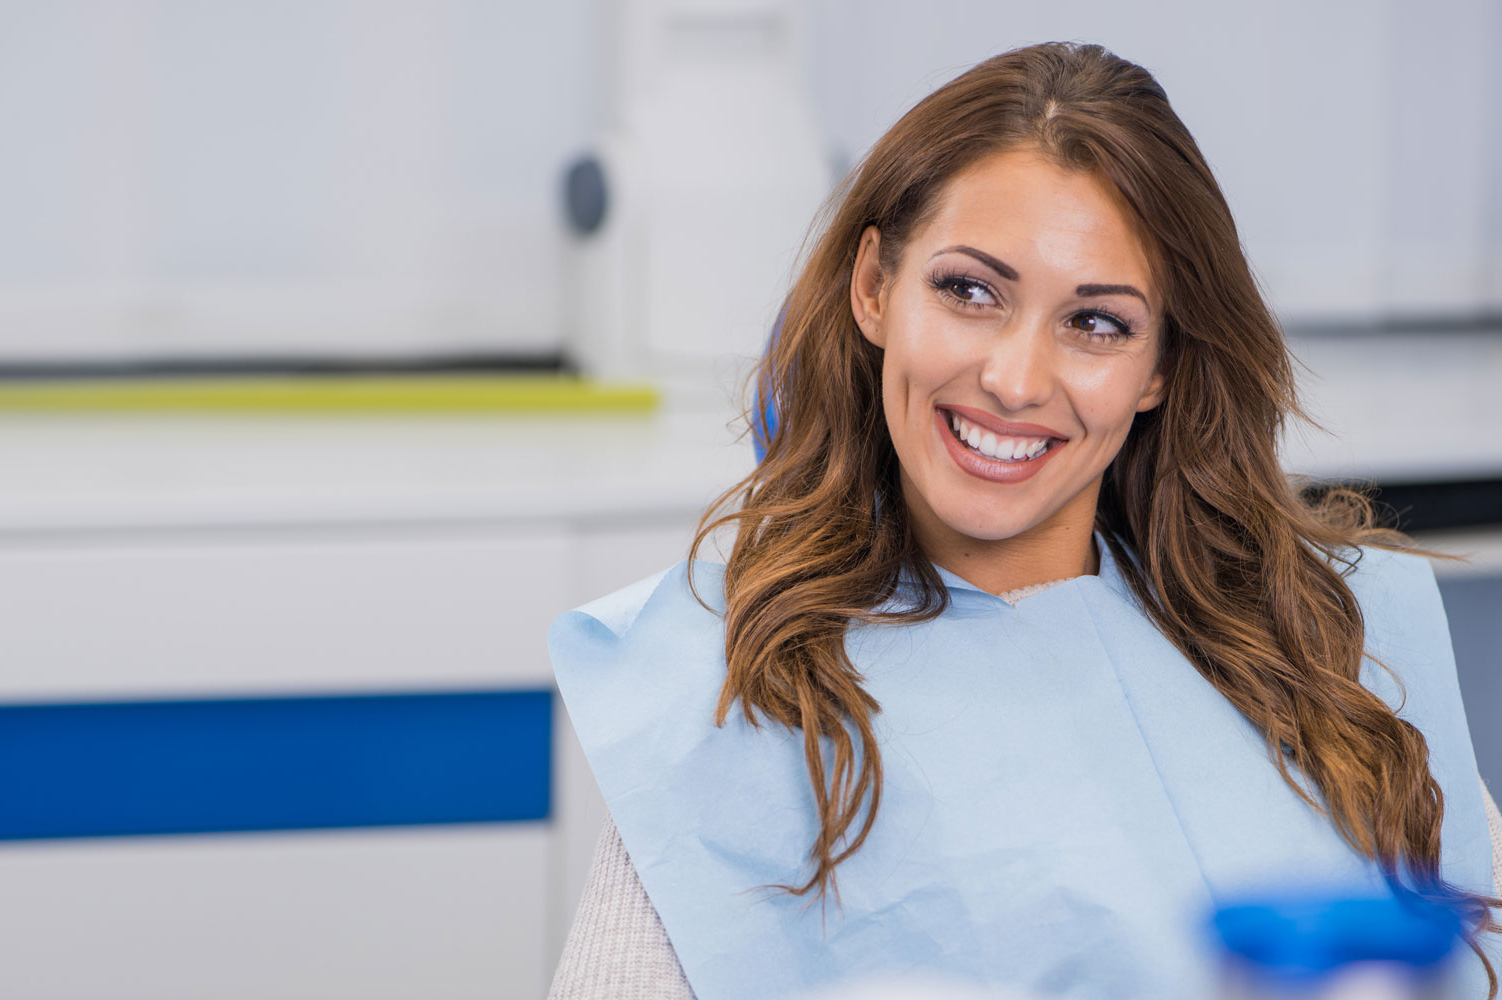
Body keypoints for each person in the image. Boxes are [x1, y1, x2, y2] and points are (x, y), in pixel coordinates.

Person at [547, 41, 1502, 1000]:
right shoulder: (731, 685)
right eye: (969, 291)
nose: (1013, 380)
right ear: (874, 287)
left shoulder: (1329, 640)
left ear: (1159, 368)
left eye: (1097, 324)